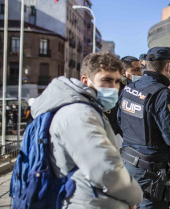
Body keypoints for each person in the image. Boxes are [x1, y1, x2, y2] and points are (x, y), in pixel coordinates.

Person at [30, 52, 142, 208]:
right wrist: (135, 196)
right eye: (106, 80)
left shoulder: (89, 108)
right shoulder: (78, 113)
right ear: (85, 80)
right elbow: (105, 170)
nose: (114, 88)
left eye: (117, 81)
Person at [118, 47, 170, 209]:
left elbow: (120, 120)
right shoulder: (163, 94)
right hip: (149, 172)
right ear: (168, 67)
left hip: (127, 165)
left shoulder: (130, 88)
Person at [105, 55, 142, 137]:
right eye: (135, 70)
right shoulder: (115, 89)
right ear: (123, 72)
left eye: (140, 69)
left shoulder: (137, 87)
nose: (140, 74)